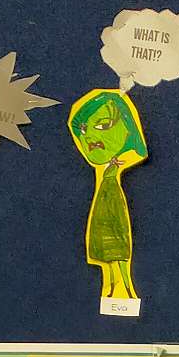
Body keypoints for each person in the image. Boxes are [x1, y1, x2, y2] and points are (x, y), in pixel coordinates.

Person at [68, 88, 147, 311]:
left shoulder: (122, 162)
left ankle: (126, 290)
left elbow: (137, 154)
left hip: (113, 208)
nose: (91, 138)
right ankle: (113, 290)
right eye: (83, 131)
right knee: (107, 251)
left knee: (118, 249)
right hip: (103, 209)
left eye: (103, 125)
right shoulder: (104, 170)